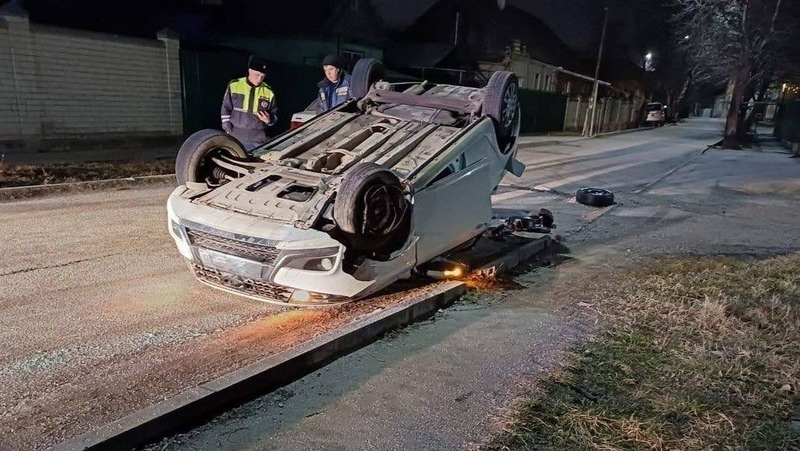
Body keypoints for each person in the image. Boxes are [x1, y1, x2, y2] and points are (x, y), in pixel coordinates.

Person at [220, 55, 278, 150]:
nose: (259, 79)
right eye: (257, 75)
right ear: (249, 71)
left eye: (262, 76)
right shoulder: (234, 85)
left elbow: (274, 114)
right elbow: (226, 108)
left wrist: (269, 120)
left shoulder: (268, 91)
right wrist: (227, 128)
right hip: (235, 136)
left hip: (258, 139)